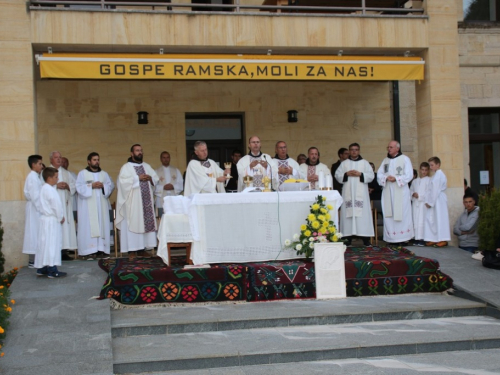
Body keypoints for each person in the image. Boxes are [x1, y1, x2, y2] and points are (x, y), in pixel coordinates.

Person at [116, 144, 159, 260]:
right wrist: (137, 178)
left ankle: (142, 249)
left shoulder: (147, 166)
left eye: (141, 150)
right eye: (137, 151)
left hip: (146, 202)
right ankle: (132, 251)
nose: (140, 152)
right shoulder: (126, 167)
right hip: (133, 203)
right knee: (134, 222)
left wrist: (150, 179)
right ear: (131, 153)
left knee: (144, 223)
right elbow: (122, 182)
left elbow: (156, 178)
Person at [76, 152, 115, 260]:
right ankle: (89, 251)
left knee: (102, 226)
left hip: (101, 206)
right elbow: (78, 188)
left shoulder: (104, 174)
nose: (96, 162)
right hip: (88, 207)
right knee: (88, 227)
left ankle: (101, 250)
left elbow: (111, 185)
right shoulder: (82, 174)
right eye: (94, 160)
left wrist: (104, 186)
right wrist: (91, 186)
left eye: (98, 159)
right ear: (88, 161)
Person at [335, 143, 374, 246]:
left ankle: (365, 238)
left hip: (361, 195)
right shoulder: (344, 164)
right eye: (352, 150)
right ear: (349, 151)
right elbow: (337, 175)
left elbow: (371, 176)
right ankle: (347, 238)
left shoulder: (365, 163)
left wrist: (360, 174)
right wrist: (346, 174)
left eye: (356, 150)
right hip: (348, 194)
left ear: (359, 151)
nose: (354, 151)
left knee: (362, 217)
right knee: (348, 216)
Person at [377, 140, 414, 246]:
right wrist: (385, 177)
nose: (389, 149)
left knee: (401, 212)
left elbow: (409, 175)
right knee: (390, 213)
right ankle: (391, 238)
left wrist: (397, 179)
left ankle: (403, 238)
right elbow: (379, 174)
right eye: (388, 147)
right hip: (388, 190)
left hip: (400, 191)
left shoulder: (405, 159)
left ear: (397, 148)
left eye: (391, 147)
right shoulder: (385, 161)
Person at [35, 167, 66, 278]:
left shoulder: (43, 188)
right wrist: (60, 216)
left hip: (45, 219)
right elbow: (55, 205)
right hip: (51, 220)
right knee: (52, 244)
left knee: (45, 244)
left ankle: (42, 267)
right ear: (49, 178)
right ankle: (52, 269)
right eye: (56, 177)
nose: (57, 179)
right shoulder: (50, 189)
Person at [49, 151, 77, 260]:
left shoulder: (66, 173)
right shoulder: (47, 172)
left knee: (65, 228)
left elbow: (74, 185)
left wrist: (67, 186)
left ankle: (64, 251)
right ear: (51, 159)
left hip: (65, 205)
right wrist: (56, 186)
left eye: (60, 157)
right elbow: (43, 187)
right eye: (56, 157)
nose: (59, 159)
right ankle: (55, 251)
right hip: (53, 206)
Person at [423, 156, 451, 247]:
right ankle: (434, 238)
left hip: (438, 199)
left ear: (438, 165)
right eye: (430, 165)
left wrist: (430, 202)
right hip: (435, 199)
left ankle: (443, 238)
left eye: (432, 165)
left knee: (440, 218)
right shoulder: (435, 175)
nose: (430, 167)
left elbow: (435, 190)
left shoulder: (439, 175)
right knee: (434, 219)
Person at [23, 155, 44, 268]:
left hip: (37, 208)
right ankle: (33, 260)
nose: (41, 166)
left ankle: (37, 259)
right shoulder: (32, 177)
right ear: (33, 165)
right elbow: (35, 196)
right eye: (40, 164)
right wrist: (43, 210)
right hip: (35, 209)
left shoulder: (36, 176)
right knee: (34, 233)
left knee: (37, 233)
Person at [155, 151, 184, 215]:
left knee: (174, 215)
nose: (166, 159)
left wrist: (173, 186)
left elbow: (181, 183)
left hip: (173, 196)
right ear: (161, 159)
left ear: (170, 158)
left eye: (168, 157)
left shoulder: (176, 170)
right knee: (161, 216)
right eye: (164, 157)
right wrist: (163, 187)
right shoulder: (156, 171)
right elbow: (153, 185)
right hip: (161, 197)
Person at [410, 162, 431, 246]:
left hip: (423, 204)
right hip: (415, 204)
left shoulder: (429, 180)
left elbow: (429, 193)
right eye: (422, 170)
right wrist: (413, 194)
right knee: (415, 219)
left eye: (426, 170)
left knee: (422, 220)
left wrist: (420, 196)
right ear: (419, 169)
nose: (424, 172)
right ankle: (415, 238)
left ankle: (422, 238)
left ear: (428, 171)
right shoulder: (415, 181)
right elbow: (410, 190)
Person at [62, 157, 78, 223]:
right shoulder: (55, 174)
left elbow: (76, 185)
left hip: (71, 201)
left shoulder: (72, 174)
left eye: (65, 162)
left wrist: (68, 187)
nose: (63, 164)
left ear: (68, 164)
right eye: (62, 162)